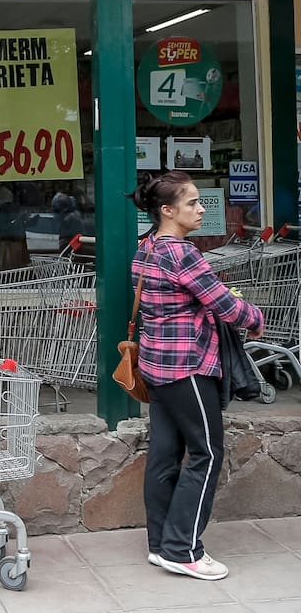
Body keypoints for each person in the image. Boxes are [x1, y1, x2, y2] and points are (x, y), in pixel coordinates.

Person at [130, 171, 264, 582]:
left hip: (156, 365)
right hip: (187, 366)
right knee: (206, 453)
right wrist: (255, 318)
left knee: (164, 454)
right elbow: (225, 304)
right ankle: (183, 549)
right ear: (167, 210)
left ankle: (161, 545)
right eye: (192, 202)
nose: (202, 209)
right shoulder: (181, 253)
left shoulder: (146, 246)